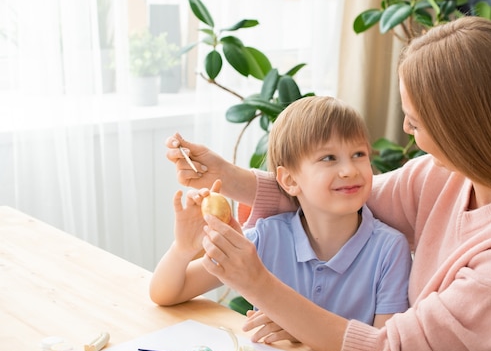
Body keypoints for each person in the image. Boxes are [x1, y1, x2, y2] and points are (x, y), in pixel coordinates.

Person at [165, 17, 491, 351]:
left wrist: (258, 283)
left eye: (415, 122)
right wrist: (226, 174)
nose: (406, 133)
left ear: (463, 128)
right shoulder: (447, 176)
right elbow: (341, 199)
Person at [151, 96, 412, 335]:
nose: (349, 170)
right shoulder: (267, 238)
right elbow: (165, 293)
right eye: (329, 158)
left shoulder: (389, 250)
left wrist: (300, 330)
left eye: (359, 154)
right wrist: (183, 249)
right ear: (289, 180)